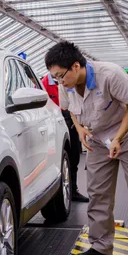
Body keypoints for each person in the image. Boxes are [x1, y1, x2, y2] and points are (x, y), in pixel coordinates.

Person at [45, 41, 128, 255]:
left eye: (60, 75)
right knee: (97, 193)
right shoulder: (64, 84)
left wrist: (118, 138)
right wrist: (79, 128)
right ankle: (101, 248)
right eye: (54, 77)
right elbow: (70, 110)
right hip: (97, 138)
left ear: (76, 66)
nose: (58, 81)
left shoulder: (110, 75)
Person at [41, 74, 89, 202]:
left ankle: (73, 190)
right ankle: (57, 193)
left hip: (70, 119)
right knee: (57, 158)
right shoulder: (44, 83)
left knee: (74, 156)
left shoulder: (69, 77)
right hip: (54, 123)